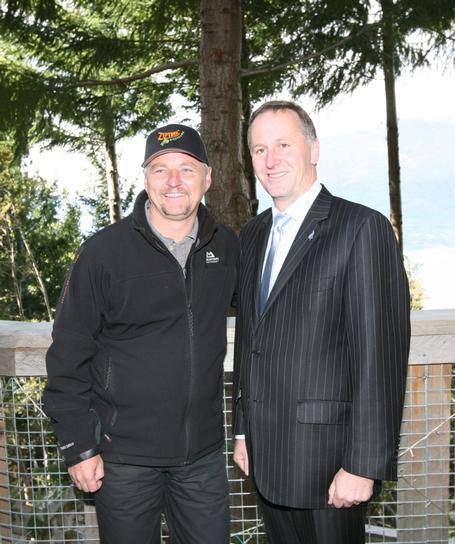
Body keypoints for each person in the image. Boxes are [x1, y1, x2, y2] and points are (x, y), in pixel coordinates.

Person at [43, 123, 238, 544]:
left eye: (186, 169)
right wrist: (79, 445)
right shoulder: (102, 253)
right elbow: (67, 356)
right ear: (145, 178)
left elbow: (270, 321)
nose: (173, 181)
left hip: (201, 458)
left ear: (207, 178)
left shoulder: (227, 249)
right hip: (122, 459)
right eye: (160, 169)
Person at [232, 101, 411, 544]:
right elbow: (250, 339)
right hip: (266, 456)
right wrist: (241, 430)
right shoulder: (253, 235)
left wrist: (363, 465)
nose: (270, 160)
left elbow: (380, 356)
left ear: (313, 150)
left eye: (283, 145)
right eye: (258, 150)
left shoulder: (361, 228)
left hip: (330, 466)